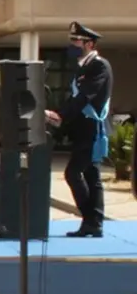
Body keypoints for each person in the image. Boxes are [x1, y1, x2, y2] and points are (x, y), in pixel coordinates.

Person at [46, 21, 113, 238]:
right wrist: (59, 117)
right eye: (72, 40)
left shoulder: (99, 66)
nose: (73, 44)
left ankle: (90, 219)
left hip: (93, 129)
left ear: (90, 44)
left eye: (77, 41)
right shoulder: (83, 67)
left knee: (74, 173)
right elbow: (75, 98)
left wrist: (61, 115)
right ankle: (93, 223)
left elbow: (85, 97)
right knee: (91, 175)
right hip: (82, 129)